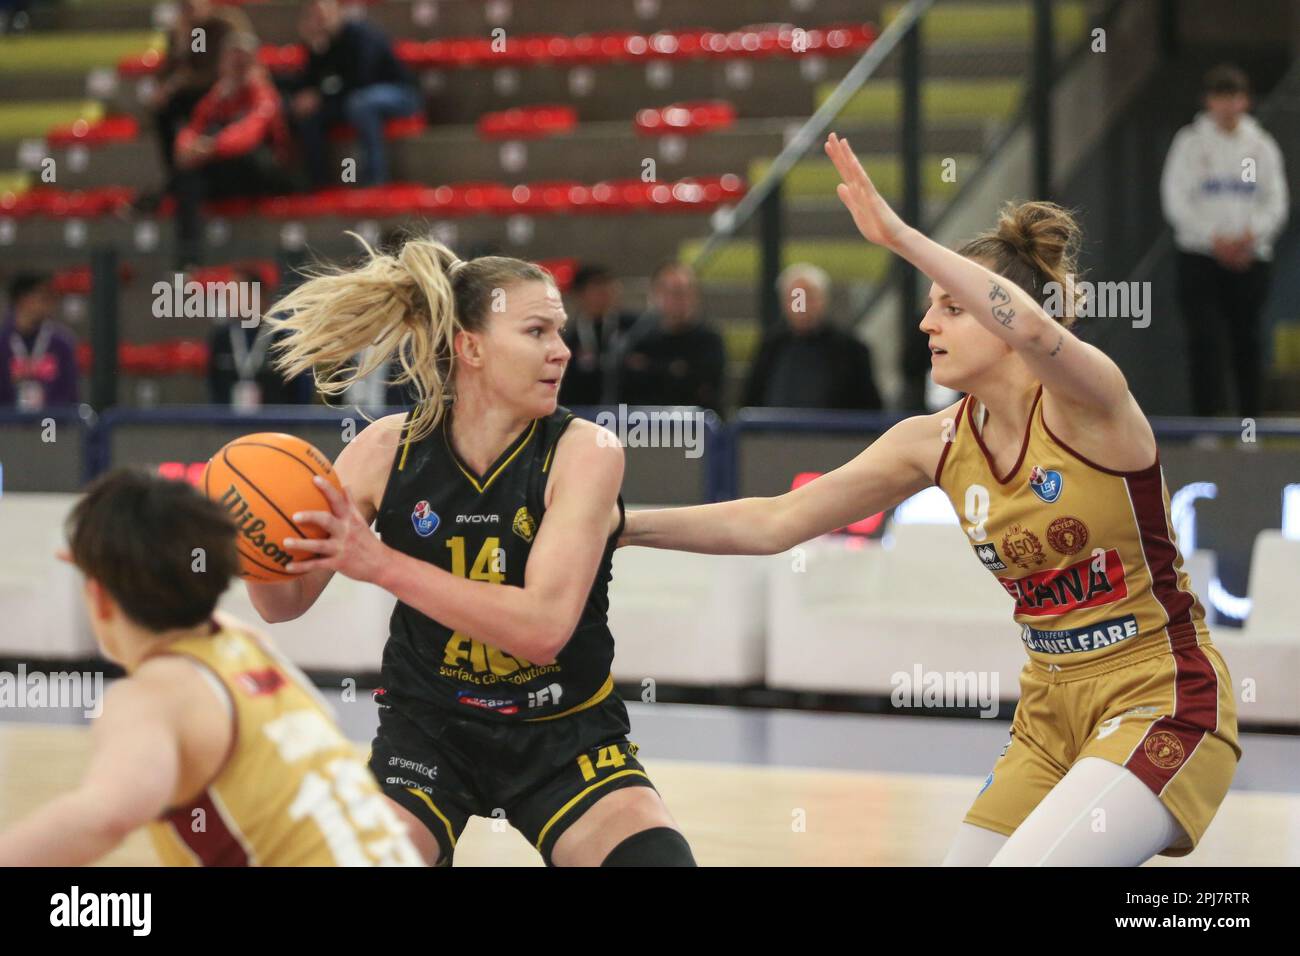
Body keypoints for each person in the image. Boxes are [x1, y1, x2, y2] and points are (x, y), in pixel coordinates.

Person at [620, 133, 1240, 866]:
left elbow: (1036, 326)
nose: (927, 324)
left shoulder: (1089, 404)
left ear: (1003, 318)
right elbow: (774, 520)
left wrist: (902, 238)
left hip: (1159, 692)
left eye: (951, 306)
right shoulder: (932, 441)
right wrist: (622, 525)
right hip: (1048, 712)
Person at [248, 238, 695, 867]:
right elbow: (283, 604)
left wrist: (379, 563)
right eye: (537, 331)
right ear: (471, 346)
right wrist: (252, 546)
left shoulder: (585, 452)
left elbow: (541, 629)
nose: (562, 350)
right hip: (429, 732)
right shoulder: (385, 450)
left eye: (560, 331)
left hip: (562, 729)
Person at [0, 469, 422, 866]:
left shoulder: (153, 697)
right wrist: (117, 563)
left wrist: (112, 566)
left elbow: (104, 817)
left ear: (101, 599)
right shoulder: (246, 644)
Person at [1160, 63, 1289, 418]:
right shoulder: (1189, 143)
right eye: (1220, 97)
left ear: (1245, 101)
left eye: (1234, 97)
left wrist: (1250, 237)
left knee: (1246, 341)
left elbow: (1275, 201)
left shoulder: (1261, 146)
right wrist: (1214, 240)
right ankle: (1206, 428)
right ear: (1209, 102)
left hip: (1250, 260)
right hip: (1200, 259)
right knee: (1204, 342)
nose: (1227, 106)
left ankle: (1251, 428)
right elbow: (1176, 200)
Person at [172, 31, 292, 266]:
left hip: (264, 173)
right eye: (232, 59)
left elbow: (250, 134)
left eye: (242, 60)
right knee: (186, 177)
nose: (237, 66)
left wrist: (211, 146)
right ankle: (188, 262)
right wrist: (186, 148)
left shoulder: (263, 93)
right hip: (226, 168)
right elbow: (193, 128)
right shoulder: (218, 95)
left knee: (247, 156)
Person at [290, 0, 421, 189]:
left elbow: (360, 79)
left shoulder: (361, 35)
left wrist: (320, 96)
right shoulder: (321, 44)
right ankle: (319, 185)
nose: (320, 21)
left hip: (400, 95)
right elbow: (309, 84)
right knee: (310, 116)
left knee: (360, 104)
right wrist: (315, 50)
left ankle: (374, 180)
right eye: (315, 17)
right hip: (351, 99)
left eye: (323, 15)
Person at [142, 0, 252, 209]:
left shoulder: (225, 25)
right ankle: (178, 174)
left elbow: (217, 71)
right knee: (165, 112)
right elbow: (172, 68)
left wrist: (178, 83)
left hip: (220, 95)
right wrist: (183, 44)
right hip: (192, 96)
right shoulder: (185, 30)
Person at [742, 263, 882, 410]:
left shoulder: (851, 350)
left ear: (824, 299)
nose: (802, 306)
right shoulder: (771, 347)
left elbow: (869, 406)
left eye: (809, 297)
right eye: (795, 298)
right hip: (777, 432)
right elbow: (751, 400)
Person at [621, 262, 726, 410]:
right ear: (655, 294)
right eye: (673, 292)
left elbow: (703, 388)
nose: (681, 299)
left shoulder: (709, 340)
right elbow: (631, 388)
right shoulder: (640, 340)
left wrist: (652, 368)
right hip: (647, 425)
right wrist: (673, 370)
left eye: (687, 291)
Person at [207, 268, 314, 407]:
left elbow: (300, 392)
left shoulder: (284, 336)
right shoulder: (221, 338)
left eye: (235, 294)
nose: (229, 300)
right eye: (228, 296)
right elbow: (214, 386)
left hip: (278, 423)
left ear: (257, 295)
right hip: (231, 424)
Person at [558, 264, 639, 407]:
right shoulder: (568, 337)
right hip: (584, 413)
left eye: (609, 286)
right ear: (580, 295)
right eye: (597, 288)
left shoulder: (634, 328)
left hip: (629, 414)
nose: (605, 293)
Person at [0, 272, 79, 409]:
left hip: (53, 426)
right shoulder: (2, 342)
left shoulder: (61, 343)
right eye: (43, 298)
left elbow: (70, 393)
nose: (50, 304)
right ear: (23, 300)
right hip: (7, 426)